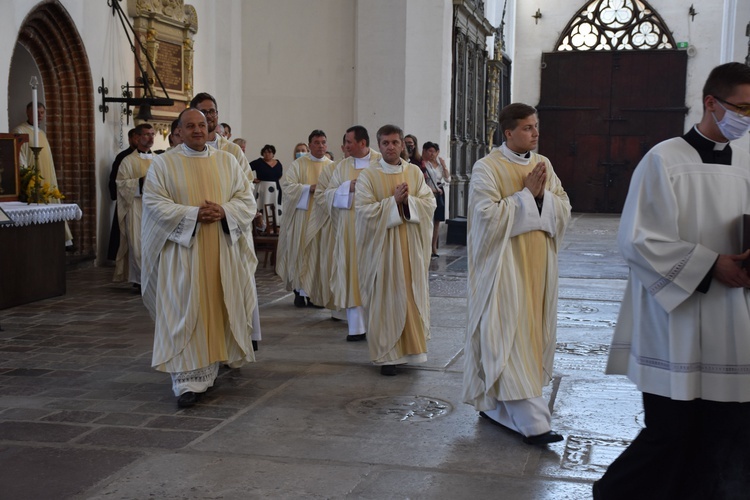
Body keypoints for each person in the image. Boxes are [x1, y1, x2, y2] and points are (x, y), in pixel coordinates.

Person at [594, 62, 750, 499]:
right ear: (710, 103)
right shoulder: (664, 159)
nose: (747, 118)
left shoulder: (748, 162)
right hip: (675, 317)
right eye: (742, 107)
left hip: (732, 315)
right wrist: (710, 264)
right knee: (670, 431)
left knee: (723, 429)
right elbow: (637, 240)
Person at [462, 102, 571, 445]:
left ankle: (495, 407)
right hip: (503, 269)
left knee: (529, 336)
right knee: (507, 337)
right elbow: (485, 217)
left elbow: (563, 206)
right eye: (527, 128)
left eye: (536, 126)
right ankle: (535, 423)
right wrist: (528, 196)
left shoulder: (544, 165)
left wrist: (540, 200)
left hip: (538, 267)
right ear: (508, 132)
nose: (535, 133)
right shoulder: (487, 168)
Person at [140, 108, 260, 408]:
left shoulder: (227, 161)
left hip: (221, 250)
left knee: (216, 306)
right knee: (184, 311)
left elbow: (245, 199)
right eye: (190, 125)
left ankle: (209, 370)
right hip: (182, 254)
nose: (197, 130)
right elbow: (155, 203)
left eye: (202, 125)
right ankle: (186, 383)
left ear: (210, 128)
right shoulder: (164, 164)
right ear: (177, 131)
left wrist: (223, 211)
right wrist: (193, 214)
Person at [355, 124, 435, 376]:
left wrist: (408, 201)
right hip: (382, 249)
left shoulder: (414, 172)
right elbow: (363, 210)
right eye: (386, 143)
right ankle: (387, 356)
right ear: (379, 145)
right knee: (385, 298)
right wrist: (393, 203)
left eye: (395, 142)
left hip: (410, 246)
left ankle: (412, 352)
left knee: (410, 296)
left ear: (403, 145)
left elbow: (428, 203)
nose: (391, 147)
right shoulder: (369, 175)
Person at [328, 125, 381, 341]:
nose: (346, 146)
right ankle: (356, 328)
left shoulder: (380, 163)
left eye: (349, 142)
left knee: (376, 276)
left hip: (375, 229)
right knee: (352, 274)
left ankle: (377, 324)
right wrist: (346, 187)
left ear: (362, 143)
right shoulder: (342, 167)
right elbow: (328, 195)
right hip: (350, 230)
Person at [277, 130, 332, 307]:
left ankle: (318, 295)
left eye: (323, 142)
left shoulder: (332, 166)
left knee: (320, 256)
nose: (321, 146)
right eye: (316, 142)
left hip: (324, 219)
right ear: (310, 145)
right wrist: (309, 188)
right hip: (303, 217)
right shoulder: (299, 164)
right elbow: (288, 187)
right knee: (302, 254)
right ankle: (300, 292)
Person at [12, 101, 73, 246]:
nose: (39, 115)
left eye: (42, 112)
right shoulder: (20, 131)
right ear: (28, 112)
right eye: (35, 112)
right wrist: (27, 178)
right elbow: (19, 157)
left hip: (47, 179)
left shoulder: (42, 133)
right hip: (32, 183)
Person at [113, 123, 155, 285]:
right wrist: (140, 182)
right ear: (137, 138)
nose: (150, 137)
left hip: (154, 209)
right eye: (146, 134)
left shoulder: (159, 160)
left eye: (152, 134)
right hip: (136, 207)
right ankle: (139, 280)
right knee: (137, 246)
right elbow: (121, 184)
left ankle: (153, 279)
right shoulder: (128, 161)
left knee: (154, 245)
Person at [190, 93, 252, 181]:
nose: (208, 116)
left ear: (217, 114)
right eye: (203, 112)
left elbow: (247, 183)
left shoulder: (233, 150)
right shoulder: (183, 149)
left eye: (212, 111)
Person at [107, 128, 137, 261]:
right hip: (126, 198)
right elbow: (115, 178)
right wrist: (115, 194)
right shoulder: (123, 157)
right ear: (130, 139)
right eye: (136, 137)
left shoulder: (150, 155)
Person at [421, 141, 451, 258]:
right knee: (428, 220)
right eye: (430, 151)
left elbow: (448, 179)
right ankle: (427, 246)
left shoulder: (438, 165)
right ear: (425, 151)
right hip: (430, 192)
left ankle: (434, 246)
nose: (432, 154)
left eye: (434, 151)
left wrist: (444, 165)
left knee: (437, 221)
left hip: (440, 193)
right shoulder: (424, 164)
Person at [249, 144, 283, 228]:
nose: (267, 154)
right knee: (262, 207)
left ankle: (274, 227)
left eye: (269, 152)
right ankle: (261, 226)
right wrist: (252, 179)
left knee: (273, 208)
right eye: (265, 152)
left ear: (273, 153)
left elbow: (280, 175)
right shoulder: (258, 162)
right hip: (262, 189)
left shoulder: (278, 163)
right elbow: (245, 168)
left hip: (275, 189)